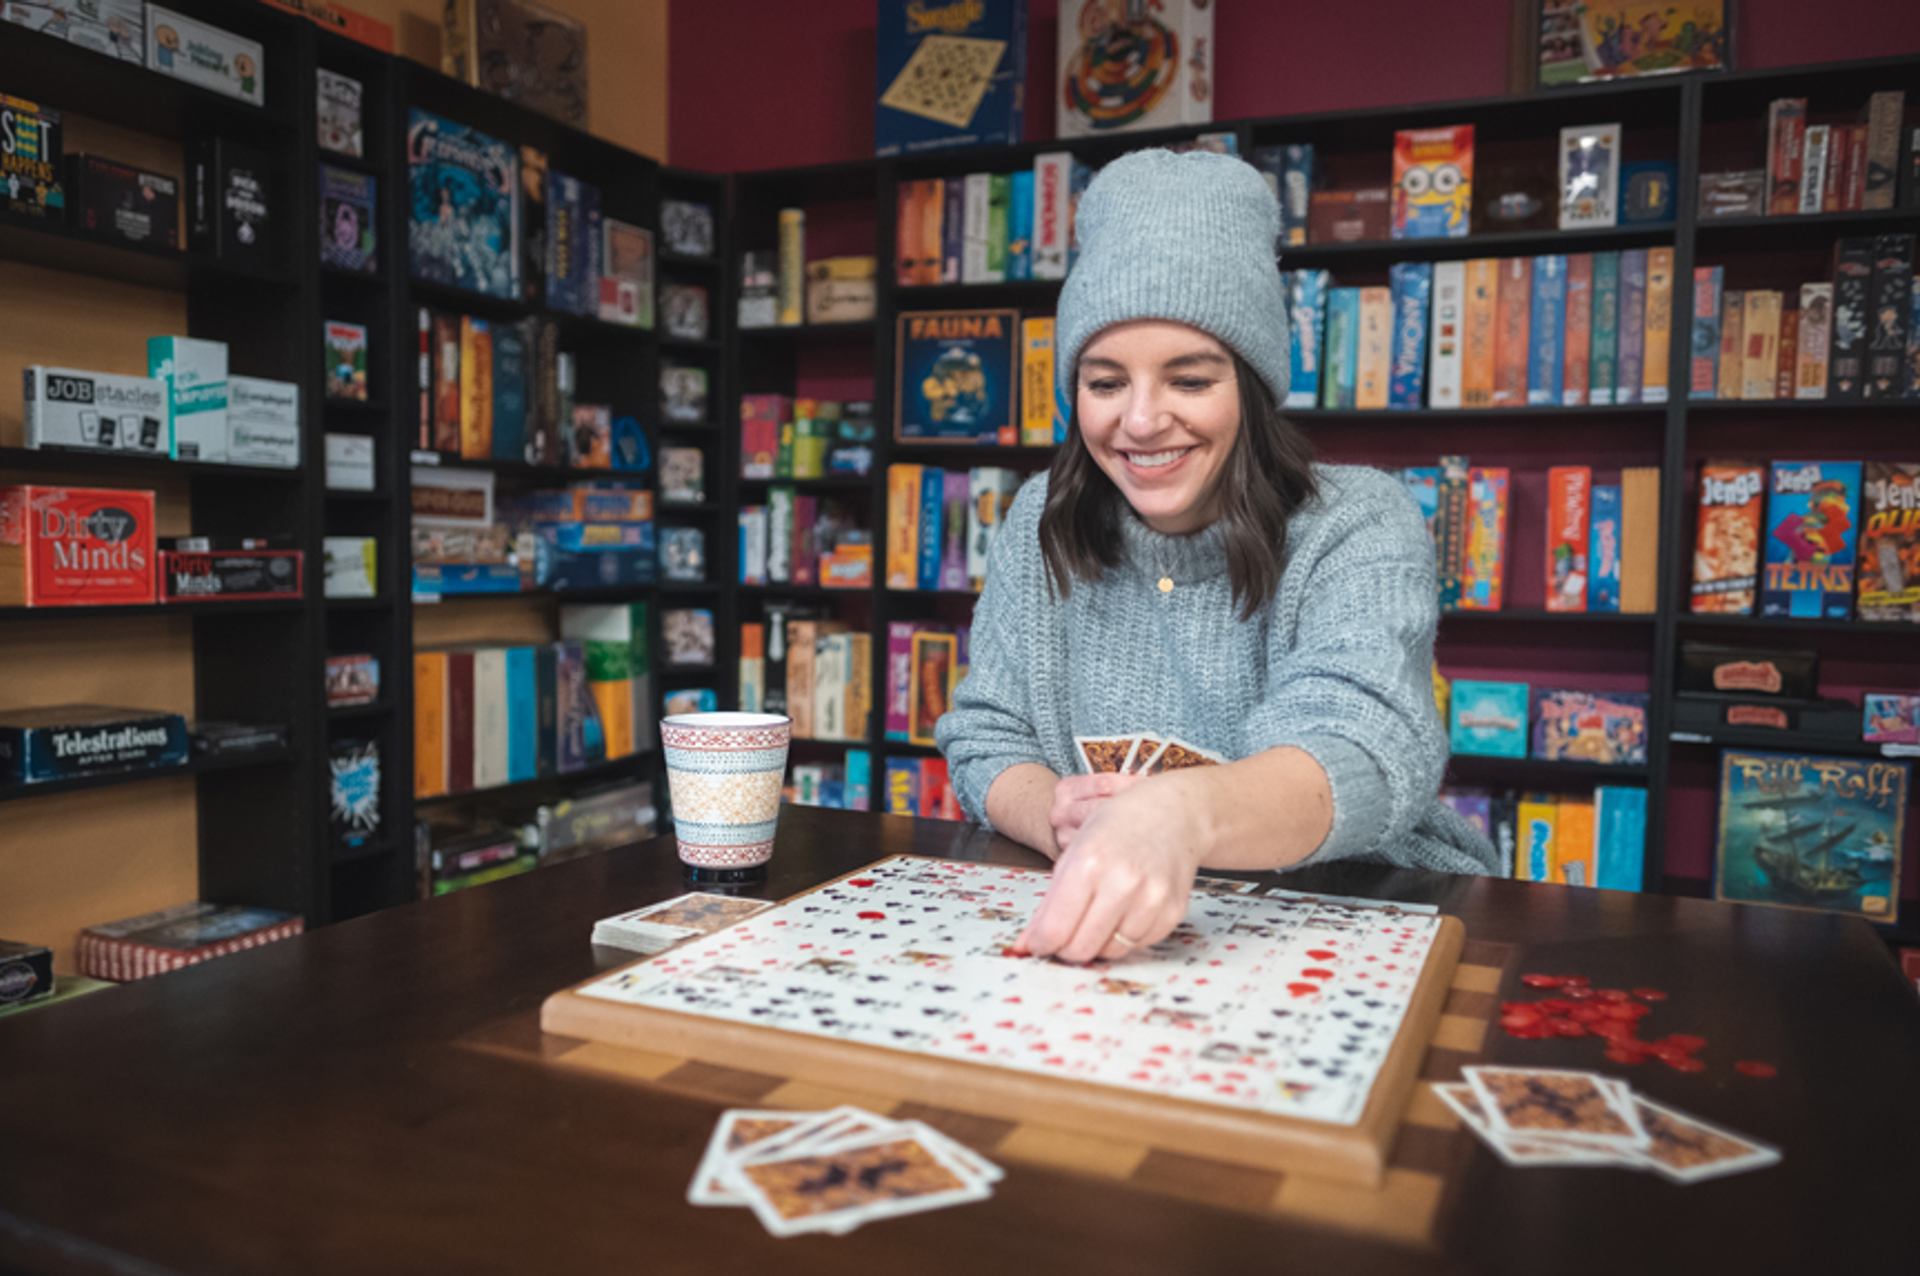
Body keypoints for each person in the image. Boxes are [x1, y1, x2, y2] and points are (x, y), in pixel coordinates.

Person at [935, 148, 1497, 967]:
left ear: (1253, 389)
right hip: (1122, 945)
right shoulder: (1038, 518)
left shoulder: (1360, 519)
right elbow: (986, 734)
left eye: (1189, 381)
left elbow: (1366, 745)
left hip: (1365, 918)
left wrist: (1175, 814)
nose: (1139, 420)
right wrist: (1049, 807)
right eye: (1103, 383)